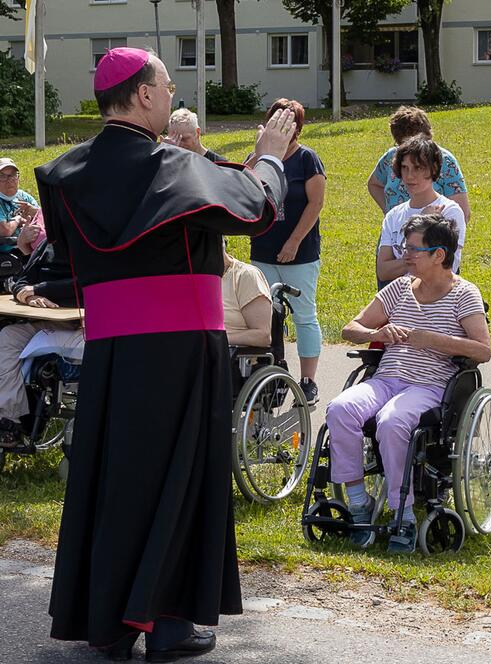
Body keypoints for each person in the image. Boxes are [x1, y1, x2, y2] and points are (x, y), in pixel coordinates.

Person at [34, 47, 290, 659]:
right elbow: (256, 207)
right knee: (182, 476)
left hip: (112, 353)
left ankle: (111, 622)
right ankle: (170, 622)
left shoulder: (64, 174)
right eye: (168, 86)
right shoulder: (173, 167)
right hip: (179, 352)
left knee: (113, 477)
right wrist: (274, 158)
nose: (172, 96)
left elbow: (76, 268)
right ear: (144, 95)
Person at [325, 214, 490, 553]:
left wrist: (434, 339)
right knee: (340, 409)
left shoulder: (464, 294)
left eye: (414, 249)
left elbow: (483, 350)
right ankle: (358, 503)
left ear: (439, 255)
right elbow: (349, 327)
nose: (406, 255)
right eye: (405, 247)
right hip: (386, 379)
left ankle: (403, 512)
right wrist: (377, 333)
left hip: (429, 386)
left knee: (393, 421)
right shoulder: (399, 288)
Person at [245, 98, 325, 404]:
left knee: (304, 316)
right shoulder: (258, 158)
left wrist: (293, 242)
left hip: (299, 254)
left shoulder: (307, 159)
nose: (281, 125)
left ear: (297, 128)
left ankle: (308, 382)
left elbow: (316, 204)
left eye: (288, 121)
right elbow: (246, 190)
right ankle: (273, 375)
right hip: (262, 250)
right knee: (267, 317)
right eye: (275, 119)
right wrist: (256, 156)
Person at [0, 230, 78, 449]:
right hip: (48, 321)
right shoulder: (48, 245)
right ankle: (9, 422)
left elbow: (86, 284)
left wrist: (39, 289)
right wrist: (28, 294)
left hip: (83, 322)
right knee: (7, 337)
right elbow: (20, 281)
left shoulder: (95, 246)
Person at [376, 135, 466, 288]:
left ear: (434, 169)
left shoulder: (450, 211)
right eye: (405, 168)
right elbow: (383, 271)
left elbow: (445, 267)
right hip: (400, 302)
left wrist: (402, 262)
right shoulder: (393, 216)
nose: (410, 176)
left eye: (418, 168)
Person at [366, 105, 470, 221]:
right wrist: (390, 213)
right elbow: (374, 184)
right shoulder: (391, 157)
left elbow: (463, 213)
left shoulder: (445, 161)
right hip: (395, 233)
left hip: (431, 234)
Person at [222, 242, 272, 349]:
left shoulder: (245, 275)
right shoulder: (187, 277)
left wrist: (216, 340)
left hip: (231, 357)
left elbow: (262, 336)